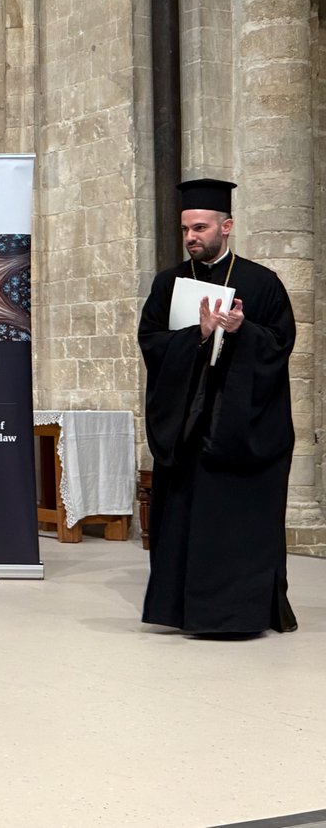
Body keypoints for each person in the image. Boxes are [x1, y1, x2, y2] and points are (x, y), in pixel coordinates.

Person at [137, 178, 297, 636]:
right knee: (187, 522)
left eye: (200, 228)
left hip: (241, 427)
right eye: (186, 229)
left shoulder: (262, 282)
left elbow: (281, 345)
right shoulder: (169, 283)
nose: (191, 237)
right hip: (188, 427)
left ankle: (239, 614)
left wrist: (243, 330)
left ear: (226, 228)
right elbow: (151, 342)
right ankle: (182, 611)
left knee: (237, 528)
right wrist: (199, 336)